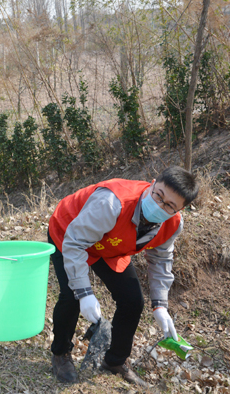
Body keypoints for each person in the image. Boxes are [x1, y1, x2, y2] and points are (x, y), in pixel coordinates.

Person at [47, 166, 199, 387]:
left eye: (169, 206)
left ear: (179, 210)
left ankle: (115, 360)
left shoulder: (172, 224)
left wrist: (160, 305)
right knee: (71, 296)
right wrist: (84, 293)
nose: (159, 205)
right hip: (69, 233)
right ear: (153, 183)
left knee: (132, 301)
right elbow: (75, 242)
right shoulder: (112, 203)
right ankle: (60, 353)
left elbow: (160, 260)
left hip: (109, 245)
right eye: (158, 195)